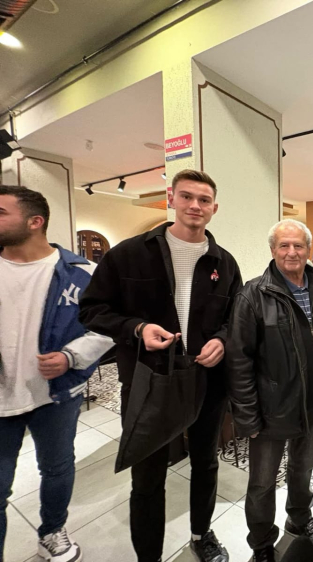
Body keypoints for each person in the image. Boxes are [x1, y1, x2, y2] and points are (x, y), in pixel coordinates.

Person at [78, 170, 242, 562]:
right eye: (187, 197)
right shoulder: (129, 254)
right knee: (147, 474)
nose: (195, 206)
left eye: (204, 200)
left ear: (214, 208)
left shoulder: (225, 262)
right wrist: (137, 328)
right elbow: (91, 310)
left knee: (205, 462)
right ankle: (148, 555)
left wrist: (223, 339)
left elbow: (236, 316)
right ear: (171, 198)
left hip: (206, 379)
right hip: (149, 379)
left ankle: (201, 533)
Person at [0, 185, 113, 562]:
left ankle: (52, 530)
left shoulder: (81, 273)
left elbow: (105, 327)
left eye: (1, 212)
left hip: (56, 394)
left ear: (35, 221)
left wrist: (70, 357)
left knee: (58, 467)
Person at [225, 219, 313, 562]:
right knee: (262, 483)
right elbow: (238, 360)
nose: (291, 252)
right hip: (270, 411)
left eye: (298, 245)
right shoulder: (252, 295)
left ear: (309, 250)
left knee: (303, 470)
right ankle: (261, 544)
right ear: (273, 250)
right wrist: (247, 416)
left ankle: (299, 518)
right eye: (284, 245)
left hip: (310, 406)